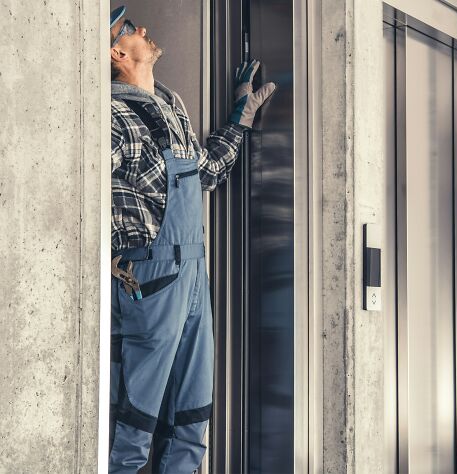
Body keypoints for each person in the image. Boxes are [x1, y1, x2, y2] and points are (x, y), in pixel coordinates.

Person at [107, 6, 275, 472]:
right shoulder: (112, 117)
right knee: (135, 419)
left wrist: (239, 119)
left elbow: (207, 171)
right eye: (128, 29)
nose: (141, 29)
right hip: (151, 274)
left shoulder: (170, 105)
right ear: (117, 51)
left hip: (194, 274)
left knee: (194, 412)